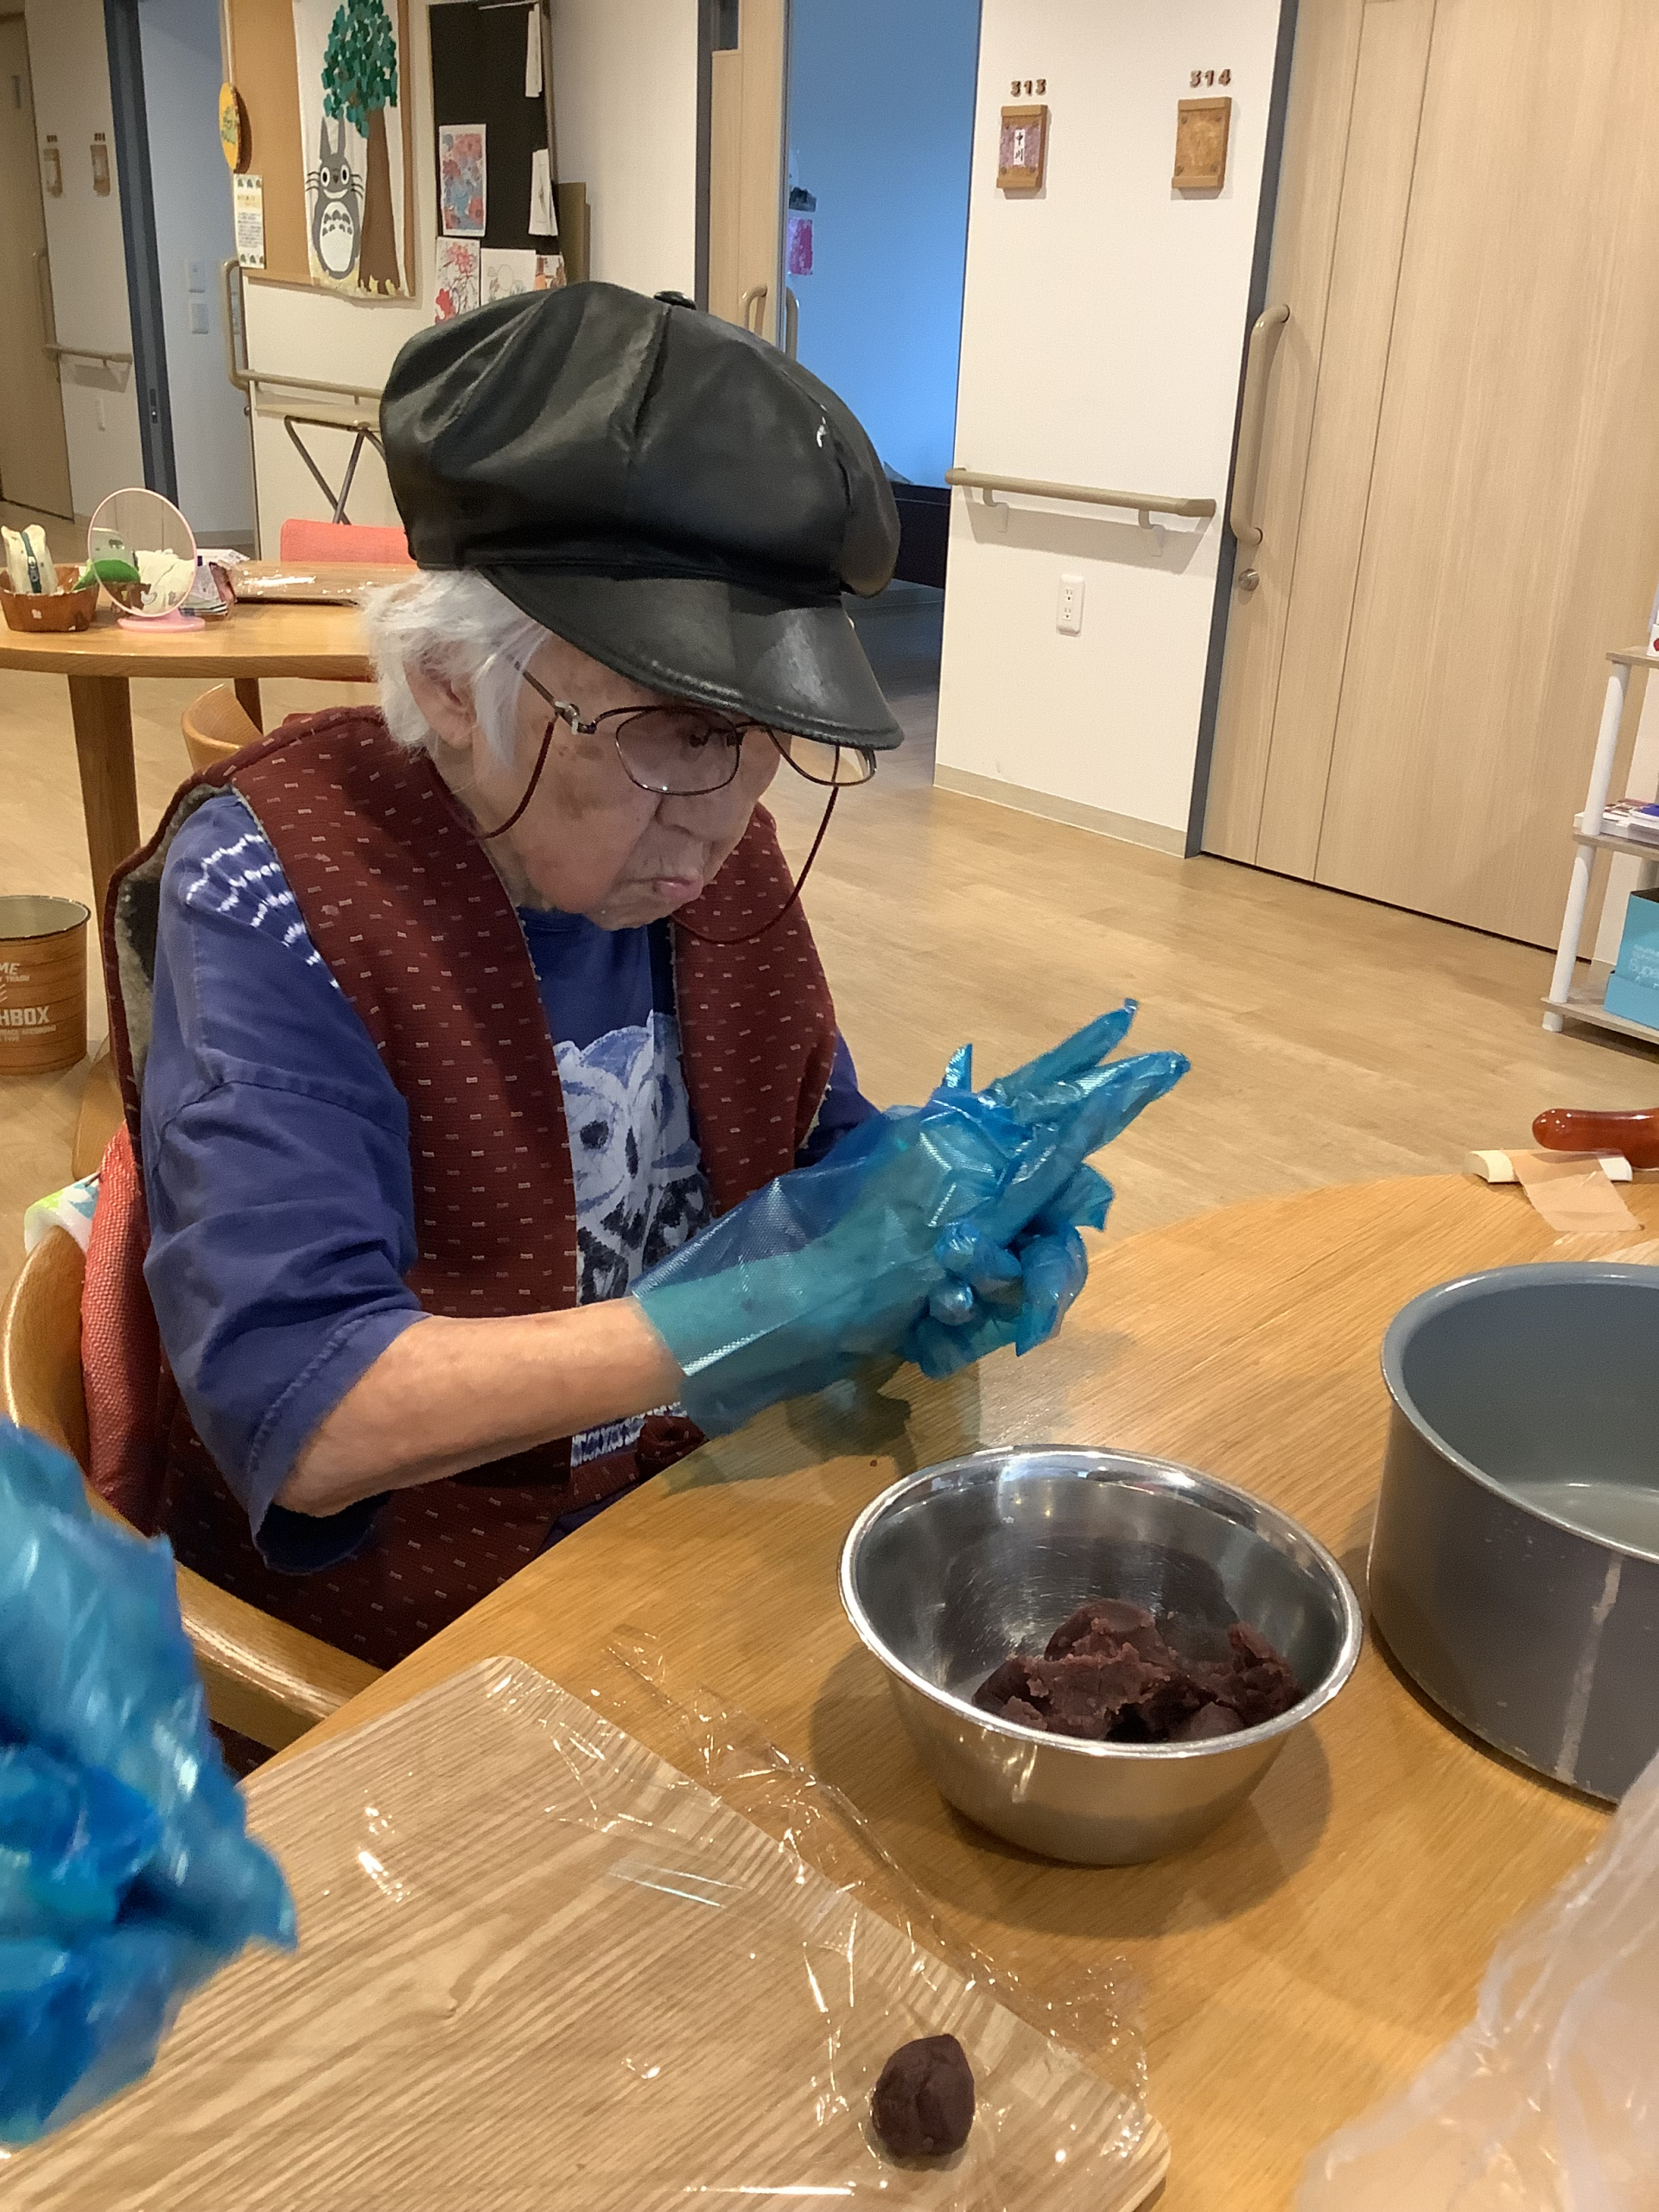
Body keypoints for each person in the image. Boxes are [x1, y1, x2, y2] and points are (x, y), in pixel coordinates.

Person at [92, 284, 1181, 1670]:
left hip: (685, 1520)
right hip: (423, 1630)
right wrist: (763, 1309)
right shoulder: (274, 886)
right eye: (671, 727)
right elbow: (305, 1411)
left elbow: (808, 1157)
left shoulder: (700, 844)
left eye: (763, 730)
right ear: (449, 680)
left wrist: (935, 1204)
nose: (724, 811)